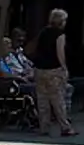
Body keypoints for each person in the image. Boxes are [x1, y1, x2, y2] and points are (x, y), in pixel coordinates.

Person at [32, 9, 78, 137]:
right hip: (53, 69)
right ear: (61, 21)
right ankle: (65, 127)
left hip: (39, 69)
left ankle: (44, 127)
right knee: (57, 100)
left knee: (42, 100)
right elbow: (60, 52)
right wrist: (64, 68)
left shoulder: (43, 32)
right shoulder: (60, 34)